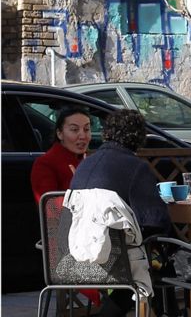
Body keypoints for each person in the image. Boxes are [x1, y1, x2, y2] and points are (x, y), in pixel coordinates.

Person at [69, 109, 173, 317]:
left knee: (147, 260)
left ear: (106, 133)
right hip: (116, 260)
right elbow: (156, 220)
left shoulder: (85, 165)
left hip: (75, 256)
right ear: (139, 138)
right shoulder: (135, 167)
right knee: (163, 257)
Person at [31, 106, 92, 204]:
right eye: (74, 129)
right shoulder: (45, 164)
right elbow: (51, 210)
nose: (83, 136)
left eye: (86, 129)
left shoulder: (92, 159)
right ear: (60, 134)